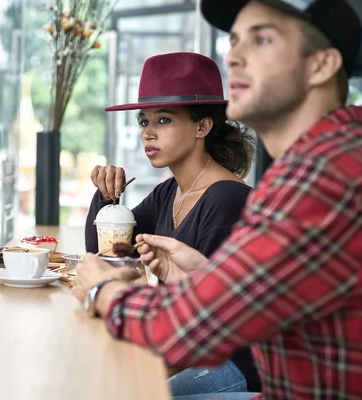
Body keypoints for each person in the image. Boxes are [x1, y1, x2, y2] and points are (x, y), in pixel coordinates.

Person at [73, 0, 362, 399]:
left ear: (321, 65)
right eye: (235, 41)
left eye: (261, 39)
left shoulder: (326, 177)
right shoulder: (320, 162)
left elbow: (182, 331)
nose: (234, 57)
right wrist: (206, 275)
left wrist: (100, 291)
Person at [84, 52, 260, 395]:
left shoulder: (226, 199)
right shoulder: (171, 192)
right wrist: (107, 198)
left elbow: (201, 323)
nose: (148, 133)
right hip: (184, 347)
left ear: (202, 126)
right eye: (143, 121)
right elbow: (106, 252)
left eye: (163, 120)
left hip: (231, 363)